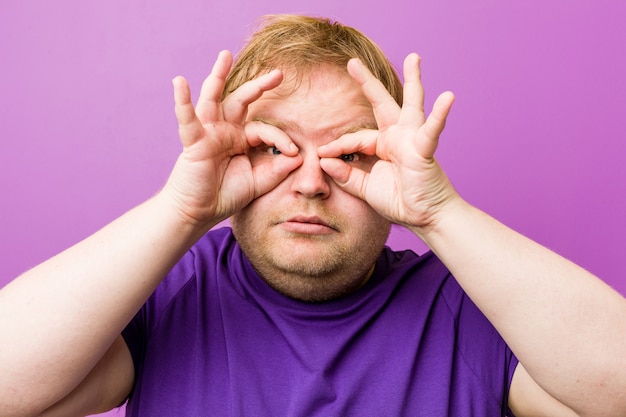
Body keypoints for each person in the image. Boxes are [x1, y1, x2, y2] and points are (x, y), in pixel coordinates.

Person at [0, 14, 624, 417]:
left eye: (348, 153)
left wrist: (439, 213)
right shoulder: (168, 292)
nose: (309, 183)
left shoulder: (475, 309)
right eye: (273, 148)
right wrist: (181, 210)